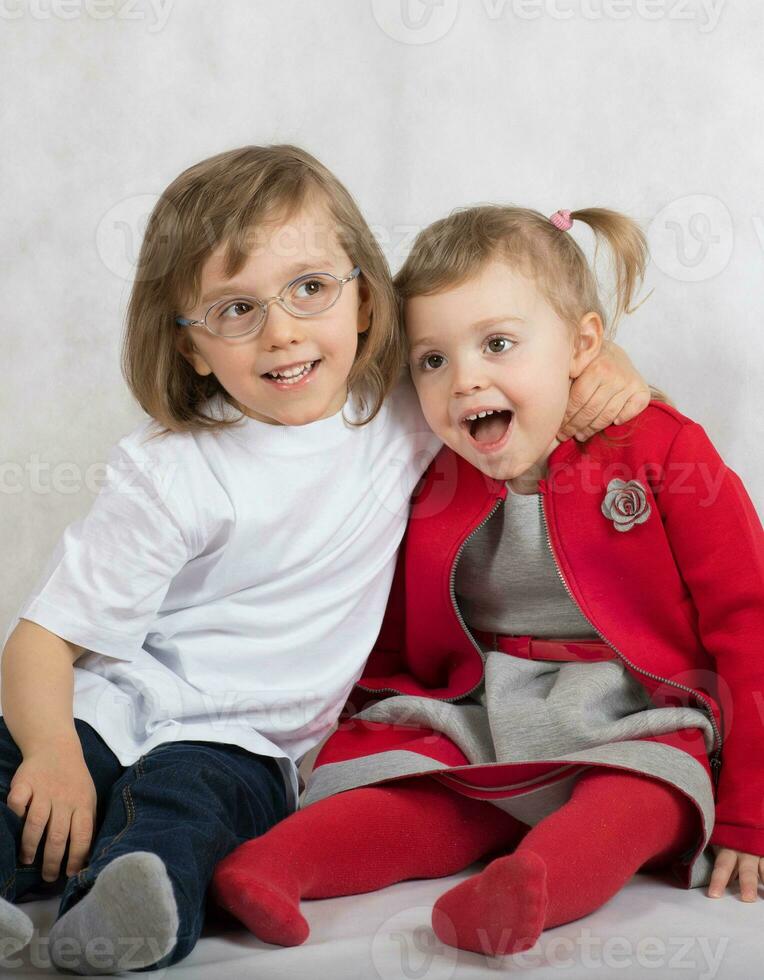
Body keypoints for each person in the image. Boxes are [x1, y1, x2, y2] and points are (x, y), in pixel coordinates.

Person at [0, 154, 647, 974]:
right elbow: (41, 643)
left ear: (365, 299)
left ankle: (120, 918)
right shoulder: (172, 471)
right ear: (193, 348)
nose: (281, 331)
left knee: (180, 818)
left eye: (310, 288)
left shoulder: (400, 414)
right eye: (236, 309)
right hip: (106, 703)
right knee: (23, 786)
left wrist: (600, 365)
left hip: (245, 743)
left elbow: (500, 348)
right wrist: (54, 749)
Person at [211, 205, 764, 958]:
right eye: (432, 361)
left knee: (645, 796)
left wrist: (751, 811)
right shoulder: (425, 460)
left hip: (635, 710)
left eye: (498, 344)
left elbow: (749, 618)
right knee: (420, 796)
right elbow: (385, 613)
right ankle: (275, 865)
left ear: (583, 347)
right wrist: (370, 709)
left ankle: (530, 882)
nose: (465, 379)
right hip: (479, 702)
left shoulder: (660, 446)